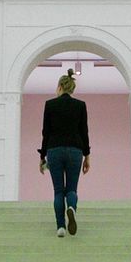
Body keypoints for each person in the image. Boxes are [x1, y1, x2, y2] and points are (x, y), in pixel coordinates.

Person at [38, 69, 90, 237]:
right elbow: (84, 132)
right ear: (72, 88)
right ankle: (71, 208)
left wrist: (42, 156)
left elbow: (45, 132)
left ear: (60, 86)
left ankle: (60, 227)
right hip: (75, 150)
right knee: (72, 189)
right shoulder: (80, 105)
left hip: (54, 150)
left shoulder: (50, 105)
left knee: (58, 191)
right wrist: (87, 156)